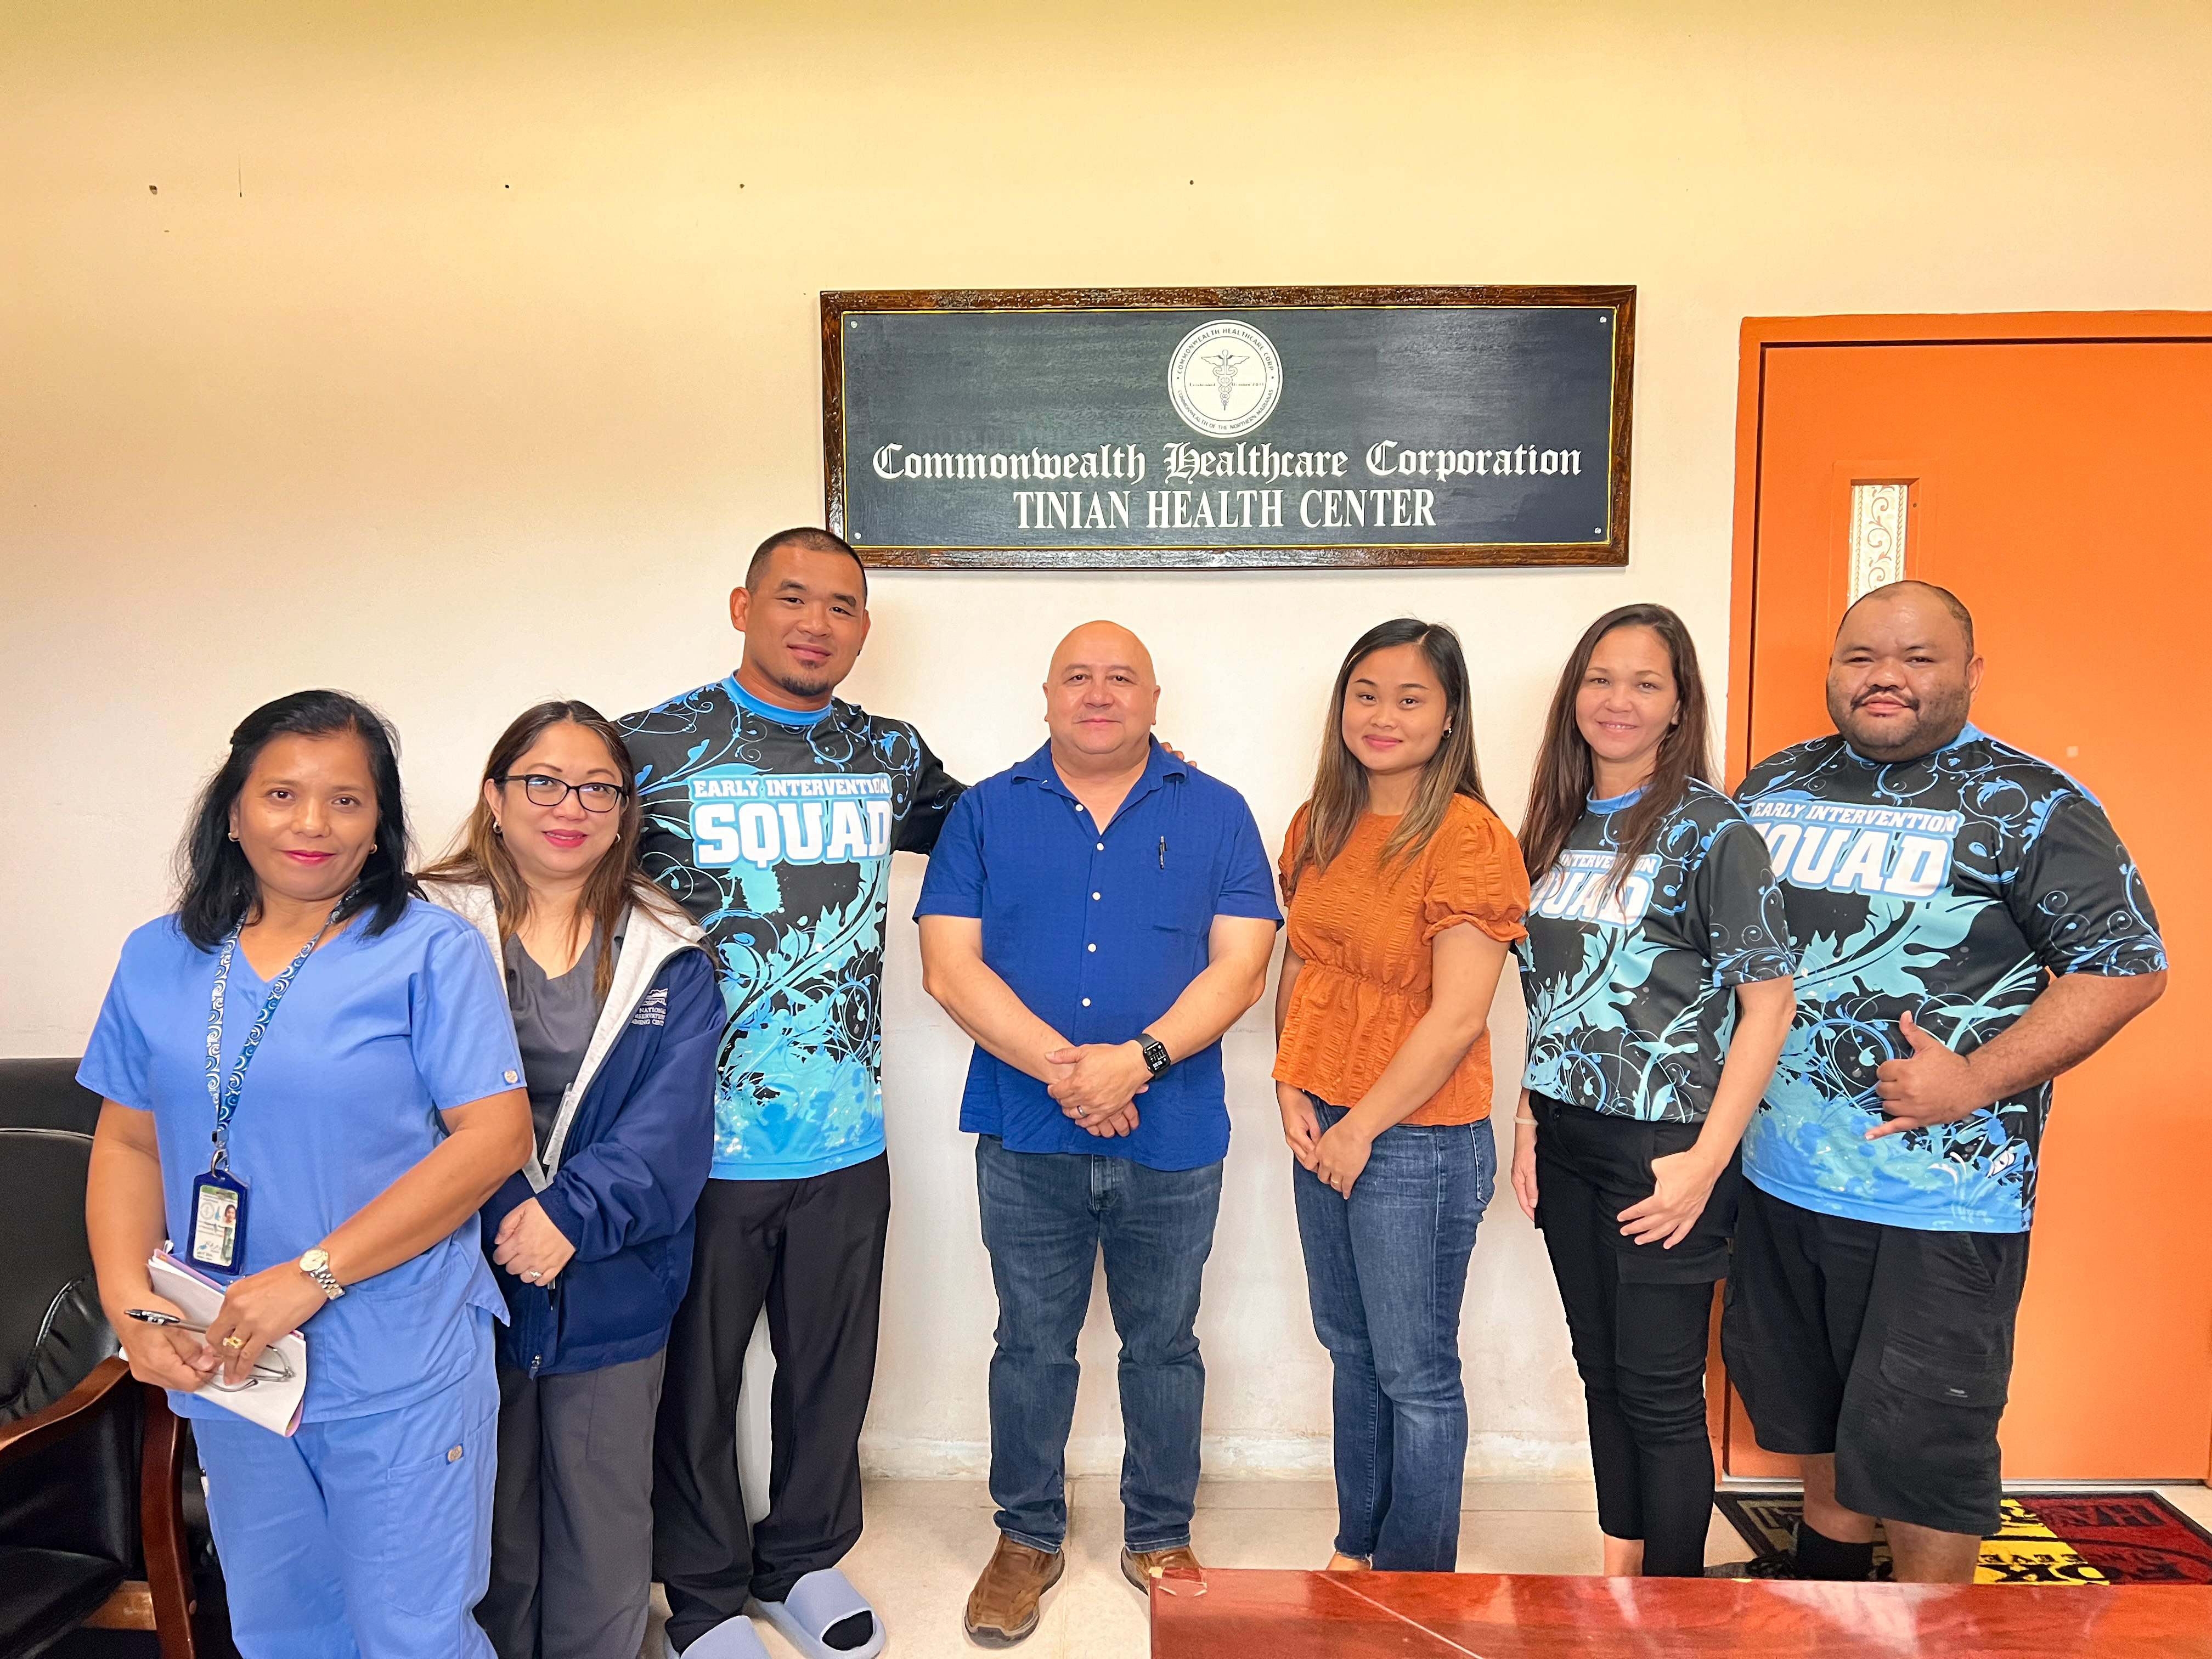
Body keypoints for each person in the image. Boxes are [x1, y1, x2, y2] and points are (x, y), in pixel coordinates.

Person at [1724, 580, 2166, 1583]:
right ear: (1833, 670)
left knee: (1924, 1457)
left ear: (1971, 672)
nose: (1886, 678)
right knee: (1820, 1418)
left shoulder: (2031, 802)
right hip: (1779, 1177)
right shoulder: (1773, 786)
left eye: (1918, 659)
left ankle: (1935, 1629)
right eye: (1862, 658)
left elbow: (2128, 964)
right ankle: (1829, 1598)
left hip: (1941, 1199)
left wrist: (1974, 1081)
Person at [80, 690, 533, 1658]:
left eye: (347, 801)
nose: (312, 824)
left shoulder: (428, 951)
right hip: (230, 1363)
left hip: (399, 1358)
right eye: (282, 794)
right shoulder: (158, 957)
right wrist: (131, 1307)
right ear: (233, 811)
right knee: (283, 1628)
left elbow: (493, 1139)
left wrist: (315, 1274)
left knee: (413, 1634)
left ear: (380, 827)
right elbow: (127, 1142)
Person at [623, 528, 962, 1659]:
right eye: (791, 599)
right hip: (694, 1142)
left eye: (842, 607)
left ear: (865, 628)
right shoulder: (651, 749)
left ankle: (803, 1562)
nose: (815, 623)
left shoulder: (890, 754)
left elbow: (1005, 839)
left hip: (844, 1132)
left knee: (830, 1374)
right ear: (742, 606)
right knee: (697, 1386)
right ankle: (707, 1596)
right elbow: (551, 866)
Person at [917, 621, 1279, 1646]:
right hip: (1027, 1134)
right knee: (1029, 1344)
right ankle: (1026, 1537)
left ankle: (1159, 1536)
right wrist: (1073, 1074)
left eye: (1121, 677)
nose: (1099, 693)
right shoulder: (986, 812)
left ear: (1155, 697)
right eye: (1078, 676)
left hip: (1174, 1140)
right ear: (1046, 694)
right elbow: (951, 968)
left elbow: (1242, 970)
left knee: (1163, 1347)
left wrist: (1140, 1062)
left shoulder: (1217, 811)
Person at [417, 701, 723, 1659]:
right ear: (494, 799)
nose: (571, 806)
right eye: (542, 782)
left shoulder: (670, 947)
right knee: (481, 1521)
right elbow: (396, 1107)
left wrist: (570, 1218)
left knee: (603, 1521)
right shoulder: (420, 927)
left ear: (626, 810)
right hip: (459, 1273)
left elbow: (671, 1126)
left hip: (613, 1275)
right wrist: (514, 1214)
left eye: (599, 788)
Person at [1509, 605, 1796, 1579]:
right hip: (1567, 1136)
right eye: (1601, 678)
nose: (1618, 701)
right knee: (1602, 1376)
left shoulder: (1713, 830)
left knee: (1663, 1391)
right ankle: (1620, 1588)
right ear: (1574, 696)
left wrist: (1704, 1167)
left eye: (1645, 683)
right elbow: (1546, 992)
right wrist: (1524, 1118)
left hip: (1666, 1146)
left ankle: (1677, 1623)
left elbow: (1769, 1006)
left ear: (1679, 706)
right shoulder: (1551, 822)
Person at [1271, 618, 1530, 1576]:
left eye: (1411, 698)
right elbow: (1304, 962)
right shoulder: (1318, 822)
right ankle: (1359, 1547)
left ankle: (1416, 1579)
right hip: (1324, 1122)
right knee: (1350, 1348)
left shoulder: (1469, 839)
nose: (1383, 716)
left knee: (1416, 1373)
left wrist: (1362, 1127)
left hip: (1416, 1138)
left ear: (1450, 715)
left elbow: (1460, 1016)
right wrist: (1292, 1084)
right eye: (1367, 693)